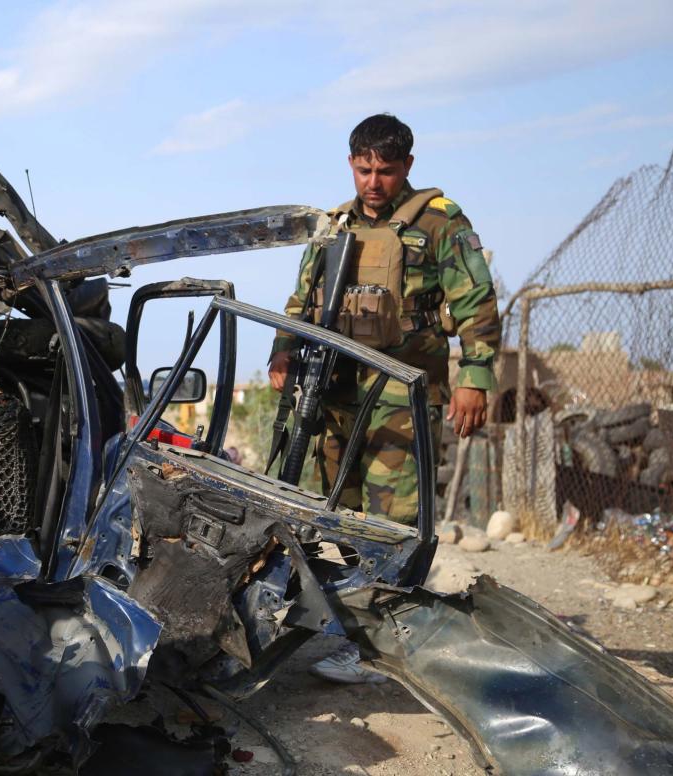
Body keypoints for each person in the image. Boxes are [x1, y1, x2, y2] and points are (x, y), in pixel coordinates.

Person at [267, 114, 500, 683]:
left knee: (393, 520)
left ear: (408, 168)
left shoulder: (440, 223)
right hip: (337, 388)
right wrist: (282, 352)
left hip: (403, 391)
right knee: (338, 513)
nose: (374, 182)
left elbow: (477, 303)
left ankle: (388, 643)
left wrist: (475, 378)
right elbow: (301, 301)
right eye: (365, 169)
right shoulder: (333, 225)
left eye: (387, 171)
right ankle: (358, 626)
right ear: (351, 164)